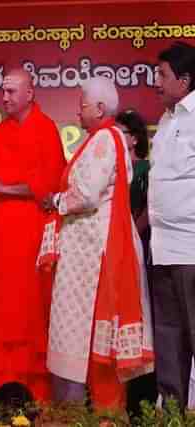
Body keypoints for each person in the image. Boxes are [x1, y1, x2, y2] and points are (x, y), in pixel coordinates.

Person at [43, 77, 154, 410]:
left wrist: (57, 201)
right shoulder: (104, 139)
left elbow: (88, 194)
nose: (79, 110)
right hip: (90, 251)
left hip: (97, 255)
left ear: (101, 108)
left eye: (83, 104)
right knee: (91, 335)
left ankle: (100, 413)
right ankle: (92, 413)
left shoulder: (105, 139)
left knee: (94, 334)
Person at [0, 68, 66, 408]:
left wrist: (3, 187)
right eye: (3, 91)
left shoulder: (46, 130)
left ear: (30, 93)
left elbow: (49, 187)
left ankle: (33, 396)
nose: (6, 97)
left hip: (29, 236)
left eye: (12, 91)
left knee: (26, 313)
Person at [148, 41, 195, 408]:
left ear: (185, 79)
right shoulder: (165, 120)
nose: (156, 81)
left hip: (192, 248)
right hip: (162, 248)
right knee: (168, 337)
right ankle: (172, 414)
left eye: (162, 75)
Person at [115, 109, 156, 415]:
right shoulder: (110, 167)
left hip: (136, 246)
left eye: (123, 133)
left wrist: (130, 233)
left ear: (135, 138)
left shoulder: (144, 170)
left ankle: (141, 399)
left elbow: (147, 210)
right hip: (110, 250)